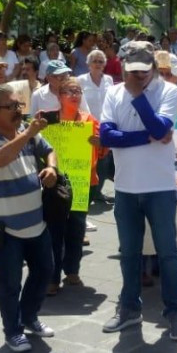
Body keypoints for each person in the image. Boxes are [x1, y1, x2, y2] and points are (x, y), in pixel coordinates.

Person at [99, 41, 177, 342]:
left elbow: (161, 128)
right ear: (123, 68)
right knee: (128, 254)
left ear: (153, 68)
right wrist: (149, 136)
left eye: (143, 72)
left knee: (168, 254)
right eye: (132, 72)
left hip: (160, 186)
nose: (138, 77)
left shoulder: (168, 91)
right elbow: (107, 136)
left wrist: (138, 98)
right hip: (125, 187)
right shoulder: (113, 92)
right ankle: (128, 308)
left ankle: (175, 312)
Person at [0, 85, 57, 353]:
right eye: (11, 107)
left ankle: (29, 316)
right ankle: (13, 331)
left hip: (37, 223)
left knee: (44, 271)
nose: (18, 111)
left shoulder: (27, 134)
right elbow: (0, 159)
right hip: (7, 228)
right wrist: (30, 134)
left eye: (18, 106)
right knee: (10, 283)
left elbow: (50, 149)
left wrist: (51, 167)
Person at [47, 77, 107, 294]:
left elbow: (103, 150)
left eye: (78, 91)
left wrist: (100, 144)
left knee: (77, 226)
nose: (75, 95)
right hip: (55, 183)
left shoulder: (89, 120)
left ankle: (72, 270)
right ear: (59, 95)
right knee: (54, 229)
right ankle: (52, 277)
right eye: (70, 91)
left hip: (83, 182)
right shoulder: (48, 120)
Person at [78, 50, 113, 120]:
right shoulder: (80, 80)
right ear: (89, 63)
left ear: (104, 64)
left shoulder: (109, 79)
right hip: (88, 122)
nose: (98, 64)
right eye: (94, 61)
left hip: (106, 121)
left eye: (101, 62)